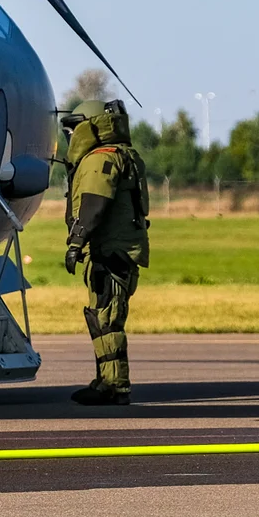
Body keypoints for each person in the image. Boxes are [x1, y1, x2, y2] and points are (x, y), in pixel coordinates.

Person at [61, 100, 150, 406]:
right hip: (120, 250)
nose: (70, 135)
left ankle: (114, 386)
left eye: (74, 128)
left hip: (111, 252)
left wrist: (75, 242)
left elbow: (94, 204)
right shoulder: (123, 155)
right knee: (103, 317)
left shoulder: (101, 159)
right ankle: (107, 381)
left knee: (107, 320)